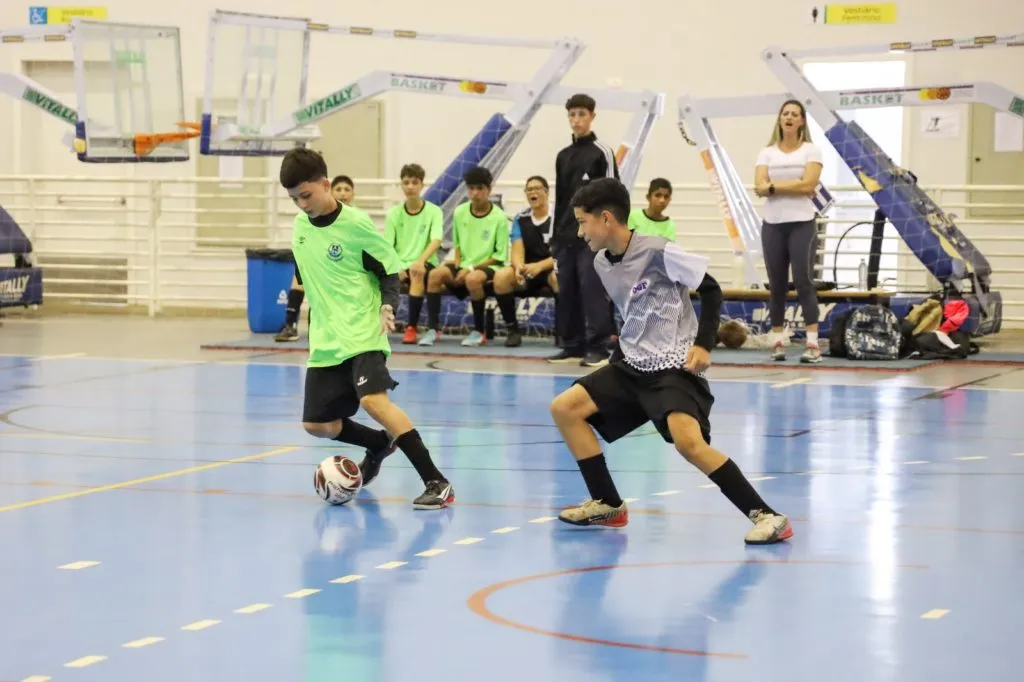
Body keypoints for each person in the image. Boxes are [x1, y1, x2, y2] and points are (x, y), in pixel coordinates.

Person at [548, 177, 792, 545]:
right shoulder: (601, 262)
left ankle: (768, 516)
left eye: (583, 222)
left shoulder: (659, 251)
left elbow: (710, 290)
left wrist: (704, 344)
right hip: (631, 366)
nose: (580, 232)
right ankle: (608, 503)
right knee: (565, 408)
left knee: (688, 444)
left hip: (672, 369)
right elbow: (632, 314)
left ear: (607, 219)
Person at [280, 149, 453, 509]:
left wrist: (388, 304)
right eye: (294, 198)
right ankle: (377, 444)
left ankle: (437, 481)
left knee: (374, 401)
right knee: (317, 423)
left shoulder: (356, 225)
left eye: (306, 195)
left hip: (363, 329)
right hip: (327, 339)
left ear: (326, 185)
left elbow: (389, 268)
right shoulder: (299, 228)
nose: (301, 205)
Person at [549, 93, 618, 367]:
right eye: (572, 115)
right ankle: (573, 345)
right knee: (567, 290)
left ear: (592, 116)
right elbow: (561, 198)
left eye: (581, 114)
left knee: (592, 288)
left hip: (594, 236)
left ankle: (599, 347)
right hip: (566, 235)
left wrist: (608, 232)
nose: (576, 120)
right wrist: (555, 236)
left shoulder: (602, 152)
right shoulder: (563, 156)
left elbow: (614, 192)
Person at [754, 99, 824, 364]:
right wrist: (790, 185)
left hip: (802, 223)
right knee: (777, 286)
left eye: (795, 114)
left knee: (804, 282)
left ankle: (812, 344)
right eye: (785, 113)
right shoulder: (767, 153)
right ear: (780, 119)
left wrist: (773, 186)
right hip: (773, 224)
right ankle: (778, 341)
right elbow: (758, 186)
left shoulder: (811, 150)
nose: (790, 117)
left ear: (802, 121)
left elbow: (809, 185)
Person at [422, 166, 509, 347]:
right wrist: (460, 266)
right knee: (435, 274)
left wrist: (470, 269)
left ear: (489, 190)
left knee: (473, 279)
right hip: (464, 264)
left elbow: (499, 256)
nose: (475, 193)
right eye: (471, 188)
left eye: (480, 188)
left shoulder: (499, 217)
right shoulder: (460, 212)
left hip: (489, 266)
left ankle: (478, 331)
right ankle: (432, 329)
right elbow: (458, 246)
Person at [276, 175, 358, 342]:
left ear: (353, 194)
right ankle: (290, 325)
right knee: (299, 276)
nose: (342, 193)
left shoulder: (357, 220)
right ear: (330, 191)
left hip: (345, 270)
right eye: (339, 189)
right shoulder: (314, 218)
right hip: (322, 264)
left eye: (346, 189)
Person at [492, 175, 558, 347]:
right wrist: (518, 267)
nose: (532, 192)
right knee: (501, 277)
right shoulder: (520, 218)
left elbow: (563, 253)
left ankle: (564, 331)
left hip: (552, 266)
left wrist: (540, 266)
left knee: (558, 278)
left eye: (537, 189)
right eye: (529, 190)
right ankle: (512, 331)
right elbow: (517, 248)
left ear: (546, 192)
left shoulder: (559, 216)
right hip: (528, 269)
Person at [382, 163, 443, 345]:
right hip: (400, 264)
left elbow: (436, 240)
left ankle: (411, 328)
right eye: (406, 182)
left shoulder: (434, 211)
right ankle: (373, 327)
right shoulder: (393, 213)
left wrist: (419, 261)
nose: (410, 187)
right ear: (401, 185)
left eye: (414, 182)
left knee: (417, 272)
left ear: (421, 185)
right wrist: (397, 267)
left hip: (425, 262)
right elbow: (387, 246)